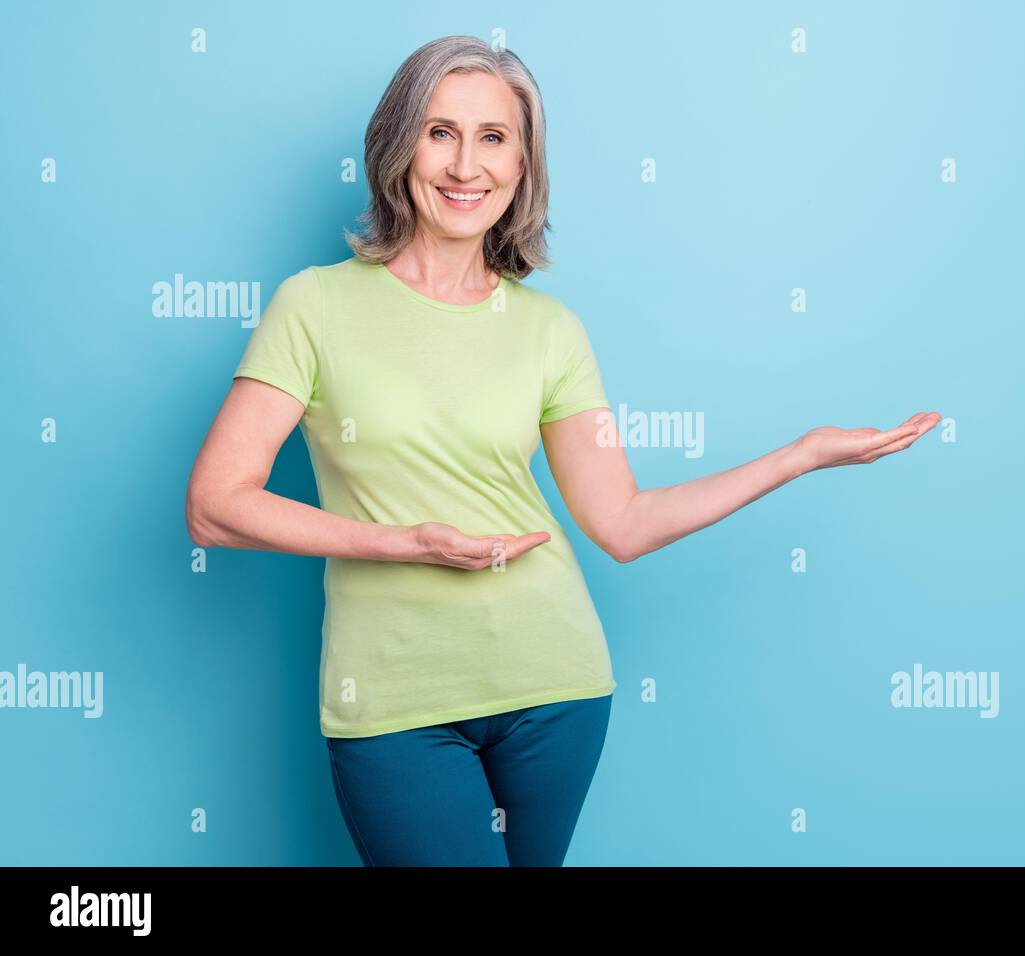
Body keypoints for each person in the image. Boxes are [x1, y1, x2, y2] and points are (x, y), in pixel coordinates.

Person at [184, 35, 940, 867]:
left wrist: (798, 455)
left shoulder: (549, 330)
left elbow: (621, 520)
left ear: (521, 165)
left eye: (494, 138)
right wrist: (404, 543)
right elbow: (216, 504)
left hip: (557, 688)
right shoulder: (315, 306)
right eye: (440, 132)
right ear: (399, 146)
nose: (465, 165)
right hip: (392, 699)